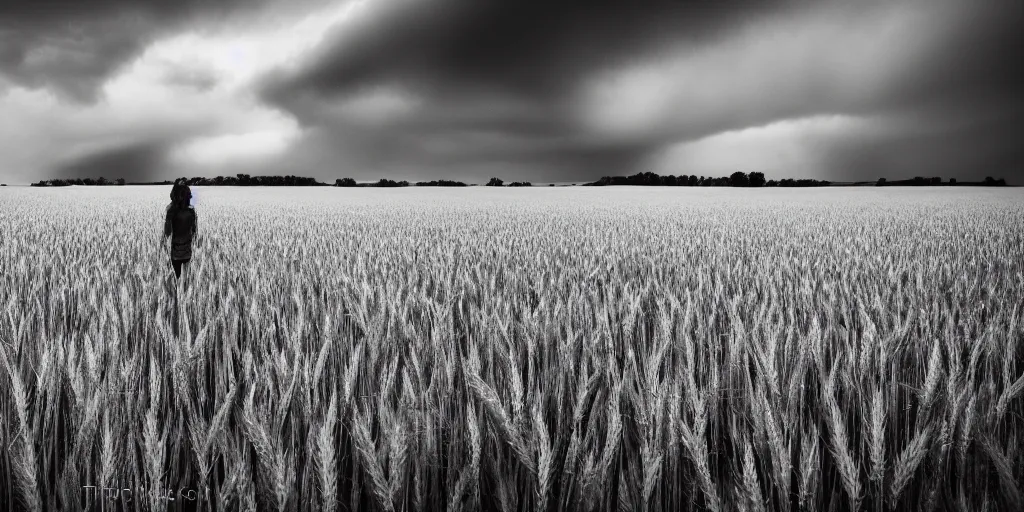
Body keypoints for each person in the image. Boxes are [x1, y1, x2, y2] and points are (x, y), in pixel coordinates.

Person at [164, 183, 198, 278]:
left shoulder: (171, 212)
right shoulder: (191, 211)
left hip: (175, 252)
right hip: (188, 251)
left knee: (177, 279)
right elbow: (195, 231)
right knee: (187, 281)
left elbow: (167, 233)